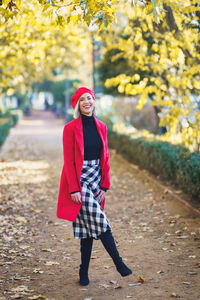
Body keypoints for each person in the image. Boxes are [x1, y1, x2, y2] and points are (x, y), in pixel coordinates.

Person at [57, 87, 132, 286]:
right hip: (79, 179)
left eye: (89, 98)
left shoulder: (102, 126)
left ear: (94, 101)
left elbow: (105, 157)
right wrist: (74, 188)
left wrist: (105, 185)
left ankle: (83, 271)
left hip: (96, 178)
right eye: (82, 99)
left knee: (87, 229)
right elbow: (69, 161)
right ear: (77, 105)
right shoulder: (70, 128)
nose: (86, 102)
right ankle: (119, 264)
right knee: (101, 222)